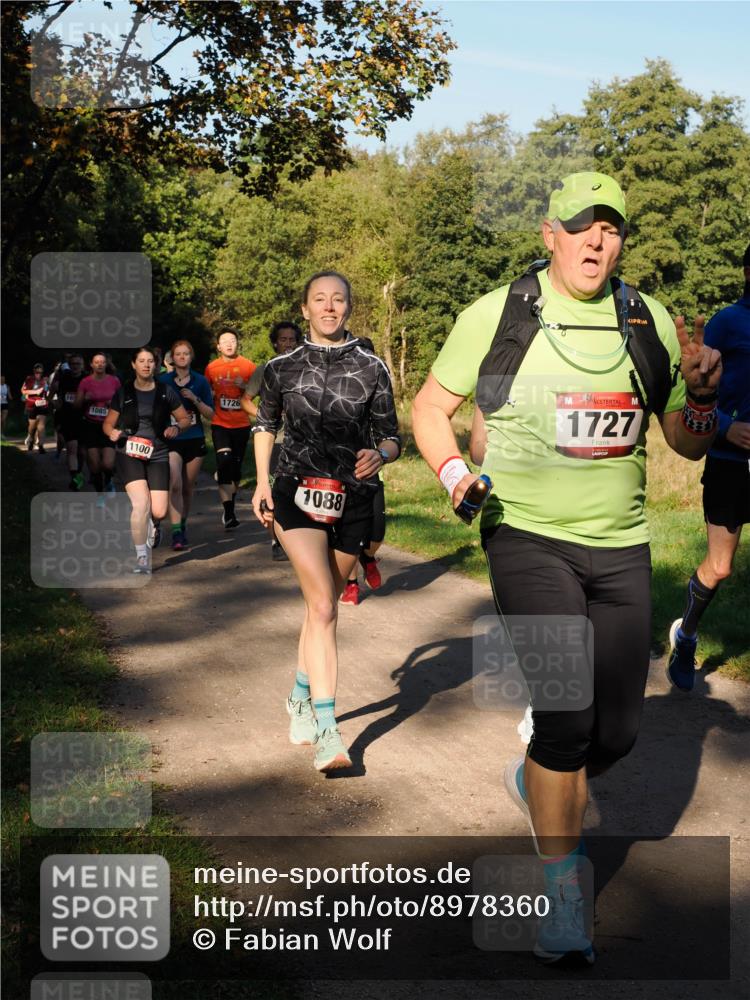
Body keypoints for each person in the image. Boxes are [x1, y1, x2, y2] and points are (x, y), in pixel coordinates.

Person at [411, 172, 722, 964]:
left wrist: (702, 402)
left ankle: (536, 778)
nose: (596, 241)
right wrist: (454, 477)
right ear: (549, 233)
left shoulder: (641, 317)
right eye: (582, 226)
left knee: (616, 729)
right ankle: (561, 900)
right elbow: (429, 407)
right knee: (566, 717)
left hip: (620, 544)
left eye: (611, 229)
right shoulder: (500, 312)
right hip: (525, 536)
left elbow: (681, 443)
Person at [252, 271, 400, 771]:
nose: (330, 307)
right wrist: (260, 483)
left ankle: (299, 693)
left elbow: (391, 436)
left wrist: (380, 454)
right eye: (320, 299)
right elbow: (265, 425)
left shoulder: (372, 366)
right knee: (321, 606)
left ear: (348, 308)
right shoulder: (280, 368)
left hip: (353, 496)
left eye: (338, 300)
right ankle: (328, 731)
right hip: (294, 490)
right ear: (306, 308)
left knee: (324, 607)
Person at [667, 242, 750, 690]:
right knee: (719, 567)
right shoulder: (727, 322)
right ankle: (687, 635)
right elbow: (696, 386)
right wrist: (723, 428)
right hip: (730, 462)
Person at [103, 346, 191, 574]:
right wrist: (111, 433)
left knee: (159, 511)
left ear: (156, 365)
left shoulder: (165, 391)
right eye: (141, 361)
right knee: (141, 504)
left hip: (158, 453)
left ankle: (153, 523)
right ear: (133, 365)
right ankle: (142, 556)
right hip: (129, 453)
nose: (146, 365)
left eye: (150, 361)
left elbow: (184, 419)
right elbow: (108, 424)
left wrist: (176, 428)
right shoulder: (123, 393)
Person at [242, 320, 304, 561]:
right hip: (275, 440)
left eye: (292, 340)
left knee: (298, 492)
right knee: (273, 491)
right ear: (275, 342)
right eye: (283, 340)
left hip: (302, 441)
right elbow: (245, 400)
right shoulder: (266, 368)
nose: (288, 344)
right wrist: (267, 417)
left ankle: (297, 538)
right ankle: (275, 540)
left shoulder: (305, 367)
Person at [339, 337, 388, 605]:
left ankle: (368, 558)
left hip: (370, 471)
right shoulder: (337, 389)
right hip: (337, 471)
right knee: (346, 532)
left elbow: (390, 435)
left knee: (376, 532)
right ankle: (351, 584)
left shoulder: (380, 390)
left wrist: (382, 453)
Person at [159, 340, 214, 550]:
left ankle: (182, 525)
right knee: (175, 483)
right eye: (178, 354)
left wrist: (195, 398)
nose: (182, 357)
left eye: (186, 354)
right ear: (172, 358)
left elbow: (210, 414)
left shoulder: (200, 381)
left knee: (187, 488)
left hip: (194, 438)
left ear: (191, 357)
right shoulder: (163, 380)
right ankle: (175, 533)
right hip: (172, 439)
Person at [205, 328, 256, 530]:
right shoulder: (211, 368)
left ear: (237, 343)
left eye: (232, 340)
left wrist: (244, 385)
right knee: (225, 463)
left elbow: (258, 392)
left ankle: (230, 503)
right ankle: (228, 512)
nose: (229, 344)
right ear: (218, 346)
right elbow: (204, 390)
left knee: (235, 471)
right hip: (220, 424)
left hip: (242, 425)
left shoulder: (248, 366)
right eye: (224, 341)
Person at [75, 354, 121, 504]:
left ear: (106, 364)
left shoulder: (114, 381)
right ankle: (100, 494)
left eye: (102, 362)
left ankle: (109, 480)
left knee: (107, 464)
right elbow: (76, 405)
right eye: (97, 362)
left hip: (109, 425)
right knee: (94, 465)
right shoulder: (85, 382)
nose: (100, 365)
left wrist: (112, 404)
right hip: (90, 425)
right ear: (91, 365)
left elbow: (123, 403)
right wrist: (85, 399)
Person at [49, 353, 86, 490]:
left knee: (82, 452)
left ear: (83, 366)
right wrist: (52, 402)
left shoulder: (87, 378)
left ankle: (79, 474)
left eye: (78, 364)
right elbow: (53, 388)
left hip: (84, 418)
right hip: (68, 417)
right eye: (73, 364)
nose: (75, 366)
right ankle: (75, 479)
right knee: (71, 449)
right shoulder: (63, 377)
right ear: (69, 366)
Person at [21, 363, 50, 452]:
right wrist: (35, 391)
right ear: (34, 371)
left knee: (41, 424)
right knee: (32, 426)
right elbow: (23, 391)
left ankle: (41, 445)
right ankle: (31, 440)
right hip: (31, 404)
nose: (38, 374)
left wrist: (48, 394)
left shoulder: (45, 380)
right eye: (37, 372)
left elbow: (48, 391)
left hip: (42, 404)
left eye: (40, 372)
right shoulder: (29, 379)